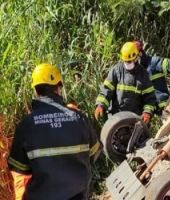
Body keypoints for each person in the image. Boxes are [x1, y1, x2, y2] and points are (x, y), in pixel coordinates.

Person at [8, 63, 102, 200]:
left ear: (35, 91)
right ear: (58, 88)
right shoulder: (79, 118)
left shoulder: (26, 125)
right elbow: (94, 154)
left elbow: (19, 169)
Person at [94, 42, 157, 124]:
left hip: (135, 120)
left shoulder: (143, 74)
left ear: (136, 58)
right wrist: (100, 105)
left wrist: (147, 112)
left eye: (130, 61)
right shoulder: (116, 71)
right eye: (126, 61)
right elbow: (106, 90)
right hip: (115, 118)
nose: (128, 64)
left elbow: (150, 98)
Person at [134, 40, 170, 113]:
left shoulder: (152, 62)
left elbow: (168, 64)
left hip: (164, 106)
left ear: (140, 54)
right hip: (149, 110)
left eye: (135, 58)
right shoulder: (135, 72)